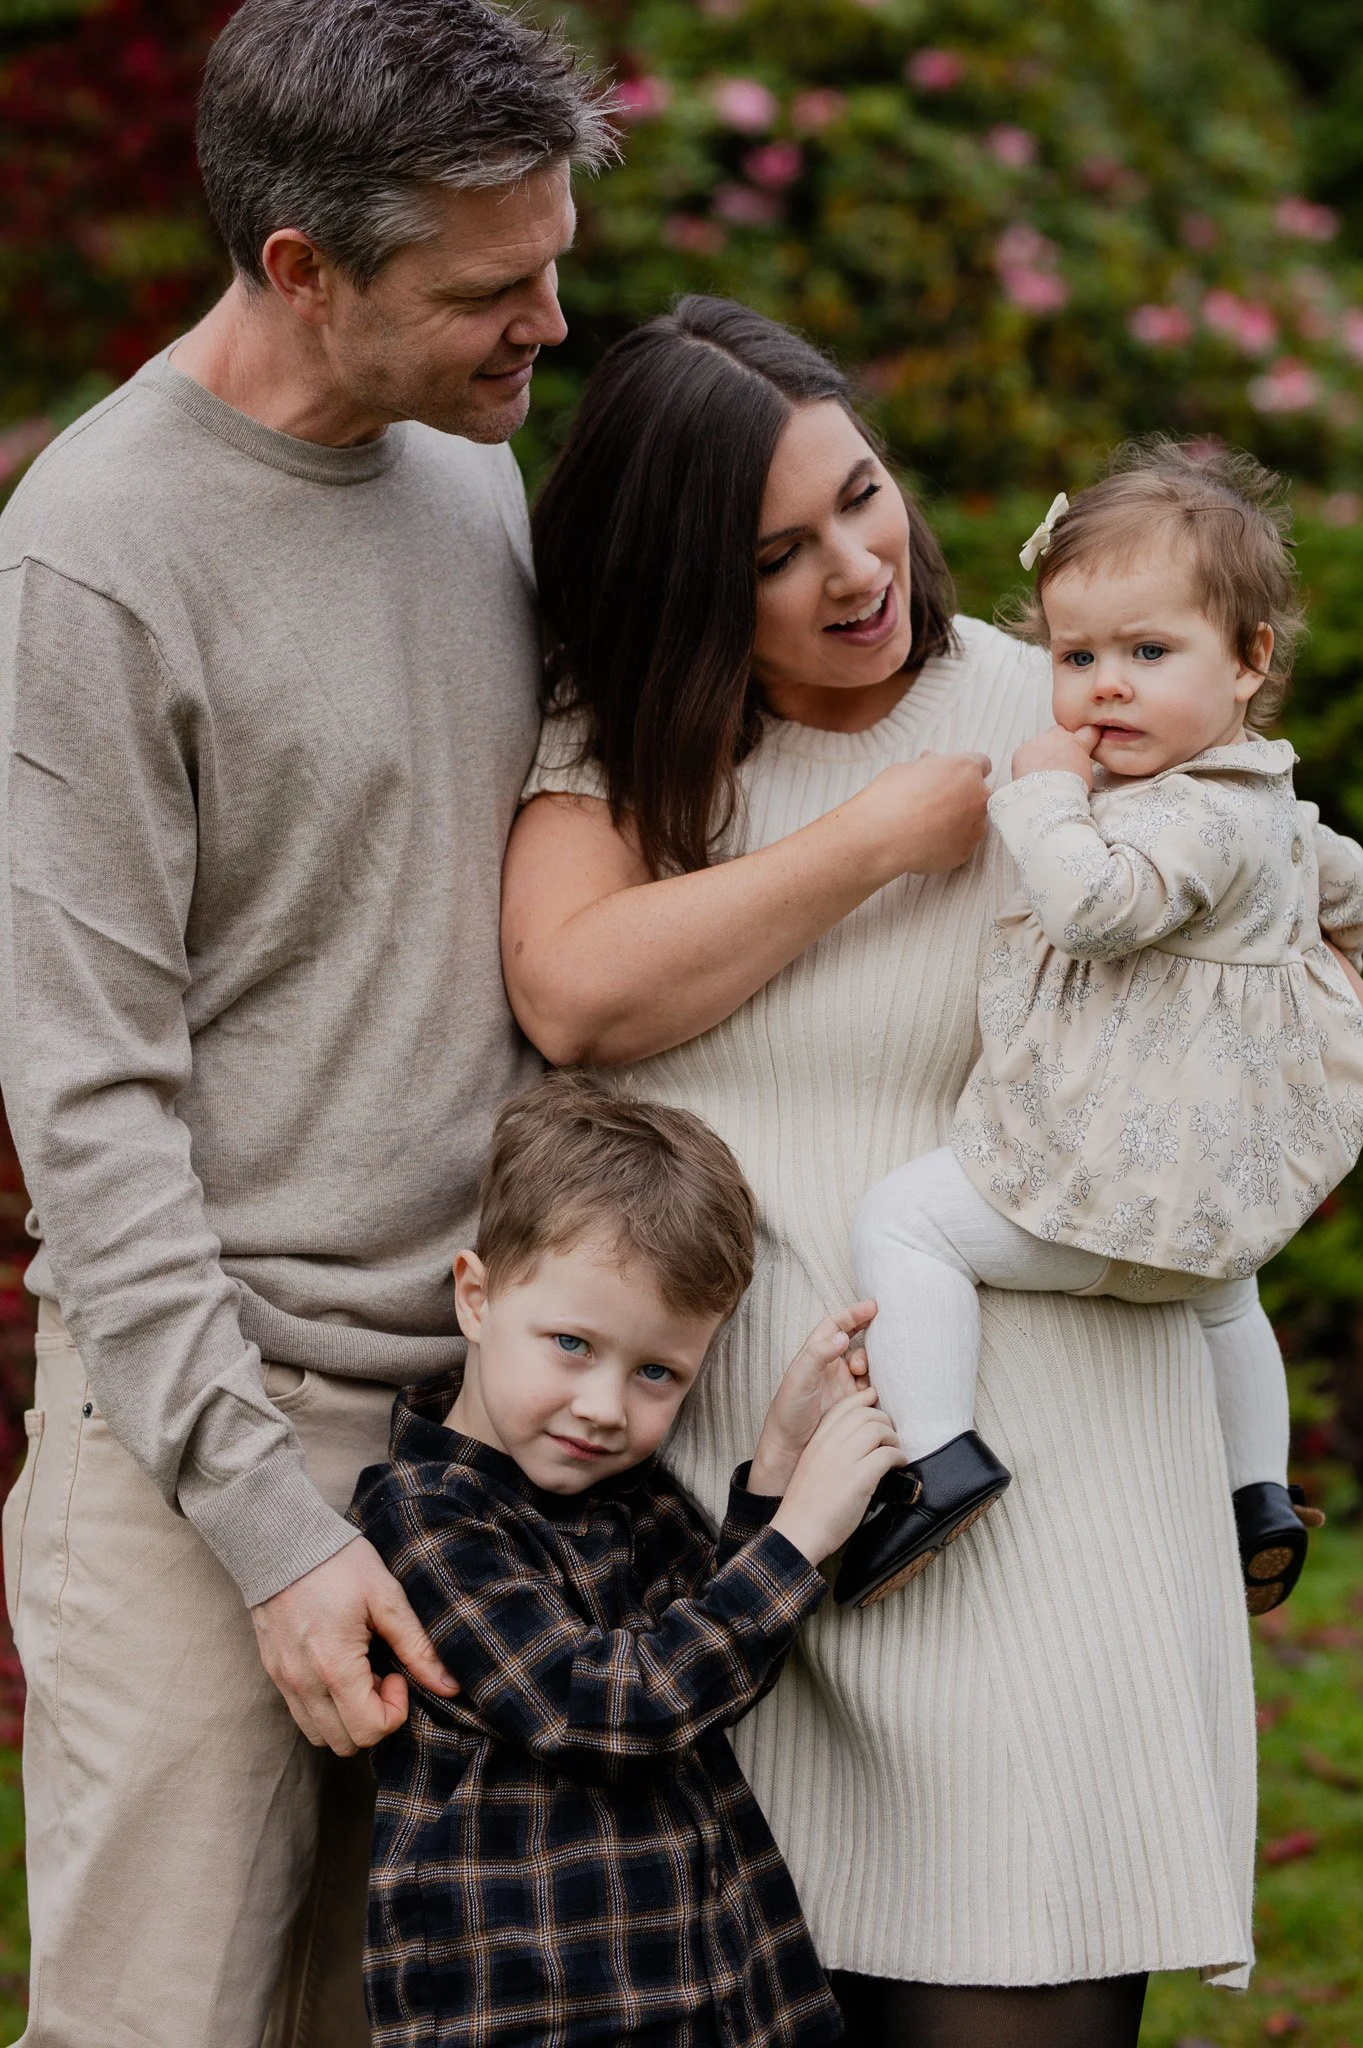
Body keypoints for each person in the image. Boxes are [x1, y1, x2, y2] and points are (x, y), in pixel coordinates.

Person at [501, 297, 1264, 2047]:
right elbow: (574, 990)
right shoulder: (629, 749)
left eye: (864, 494)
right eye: (780, 550)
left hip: (1032, 1505)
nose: (859, 565)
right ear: (693, 580)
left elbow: (1266, 916)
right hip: (749, 1525)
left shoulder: (1069, 713)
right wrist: (872, 839)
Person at [0, 3, 610, 2041]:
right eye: (487, 285)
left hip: (483, 1439)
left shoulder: (466, 474)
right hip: (206, 1451)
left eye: (553, 256)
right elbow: (86, 1099)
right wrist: (270, 1533)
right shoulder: (95, 558)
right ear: (299, 267)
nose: (546, 315)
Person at [843, 442, 1359, 1611]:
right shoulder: (1273, 805)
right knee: (1232, 1297)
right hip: (1203, 1210)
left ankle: (933, 1459)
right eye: (1076, 656)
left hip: (1100, 1185)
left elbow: (1096, 908)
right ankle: (1257, 1493)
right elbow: (1350, 888)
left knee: (907, 1220)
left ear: (1249, 661)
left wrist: (1041, 788)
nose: (1105, 684)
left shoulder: (1179, 819)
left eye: (1147, 652)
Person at [353, 1073, 903, 2048]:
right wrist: (798, 1536)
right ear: (475, 1296)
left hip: (708, 1983)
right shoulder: (426, 1518)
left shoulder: (626, 1495)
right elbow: (606, 1706)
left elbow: (716, 1653)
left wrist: (775, 1464)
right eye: (572, 1343)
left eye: (657, 1372)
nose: (605, 1405)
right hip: (542, 2002)